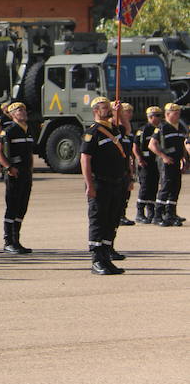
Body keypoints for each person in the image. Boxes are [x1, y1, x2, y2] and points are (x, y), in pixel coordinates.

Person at [80, 97, 129, 275]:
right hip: (100, 183)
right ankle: (96, 260)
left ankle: (107, 258)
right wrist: (89, 184)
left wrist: (120, 112)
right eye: (104, 108)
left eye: (109, 107)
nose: (108, 109)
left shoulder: (114, 130)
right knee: (98, 221)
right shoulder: (92, 132)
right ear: (95, 111)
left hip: (116, 183)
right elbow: (85, 159)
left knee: (112, 220)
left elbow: (127, 130)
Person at [0, 102, 35, 254]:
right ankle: (8, 241)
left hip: (26, 173)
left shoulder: (28, 130)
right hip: (14, 174)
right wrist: (8, 167)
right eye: (19, 110)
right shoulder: (9, 131)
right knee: (12, 207)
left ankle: (16, 240)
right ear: (12, 114)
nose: (23, 112)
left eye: (24, 109)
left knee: (22, 207)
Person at [148, 103, 188, 227]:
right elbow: (152, 145)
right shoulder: (162, 127)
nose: (177, 116)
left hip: (177, 161)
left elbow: (182, 145)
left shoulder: (180, 127)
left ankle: (171, 214)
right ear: (167, 114)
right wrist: (163, 157)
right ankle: (157, 215)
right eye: (174, 114)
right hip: (166, 162)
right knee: (165, 188)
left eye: (178, 113)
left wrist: (184, 158)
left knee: (175, 187)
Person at [133, 106, 163, 224]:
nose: (156, 118)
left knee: (154, 186)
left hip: (155, 162)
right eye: (154, 116)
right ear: (149, 117)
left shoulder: (160, 129)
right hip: (145, 162)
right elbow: (135, 147)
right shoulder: (143, 130)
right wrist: (139, 159)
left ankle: (151, 212)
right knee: (145, 187)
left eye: (159, 115)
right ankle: (140, 213)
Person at [115, 103, 136, 231]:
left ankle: (121, 215)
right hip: (116, 169)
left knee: (125, 194)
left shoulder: (126, 133)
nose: (127, 114)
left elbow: (127, 129)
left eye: (128, 112)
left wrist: (131, 172)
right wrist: (118, 114)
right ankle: (118, 215)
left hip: (125, 167)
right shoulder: (114, 131)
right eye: (124, 112)